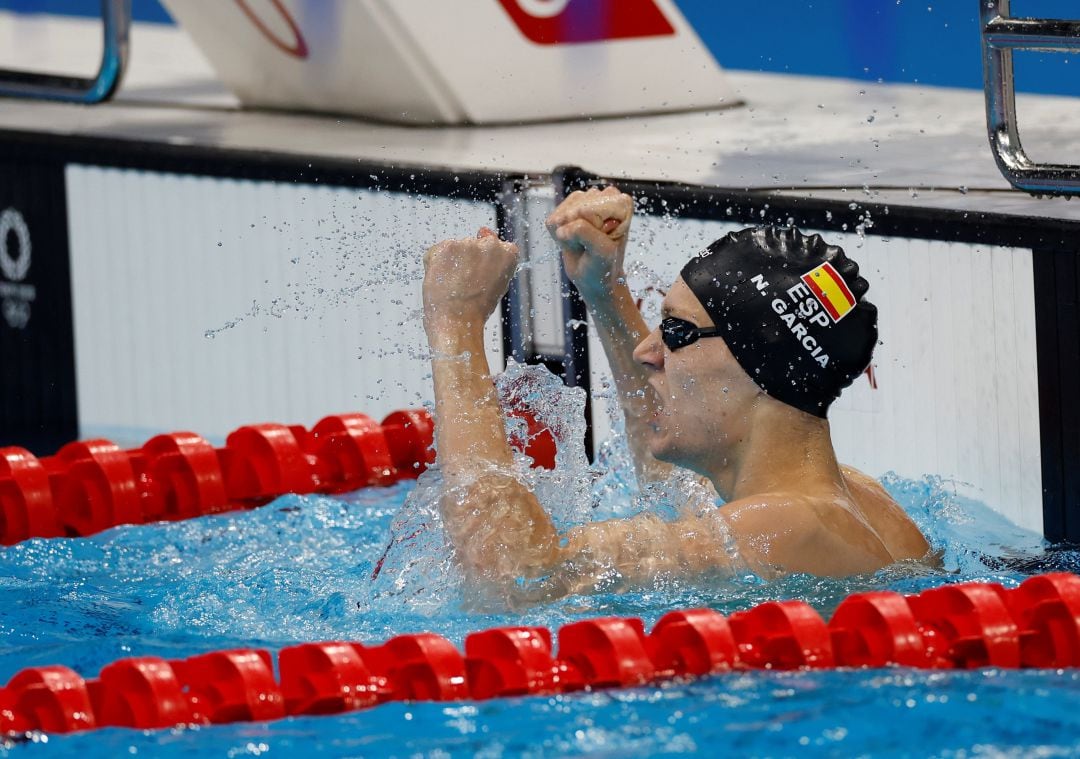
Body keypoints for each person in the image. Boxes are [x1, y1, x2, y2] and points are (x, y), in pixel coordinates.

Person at [421, 186, 930, 603]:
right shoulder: (860, 501)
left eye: (678, 333)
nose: (648, 351)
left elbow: (518, 579)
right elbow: (677, 488)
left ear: (759, 368)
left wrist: (456, 326)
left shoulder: (787, 525)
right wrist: (605, 290)